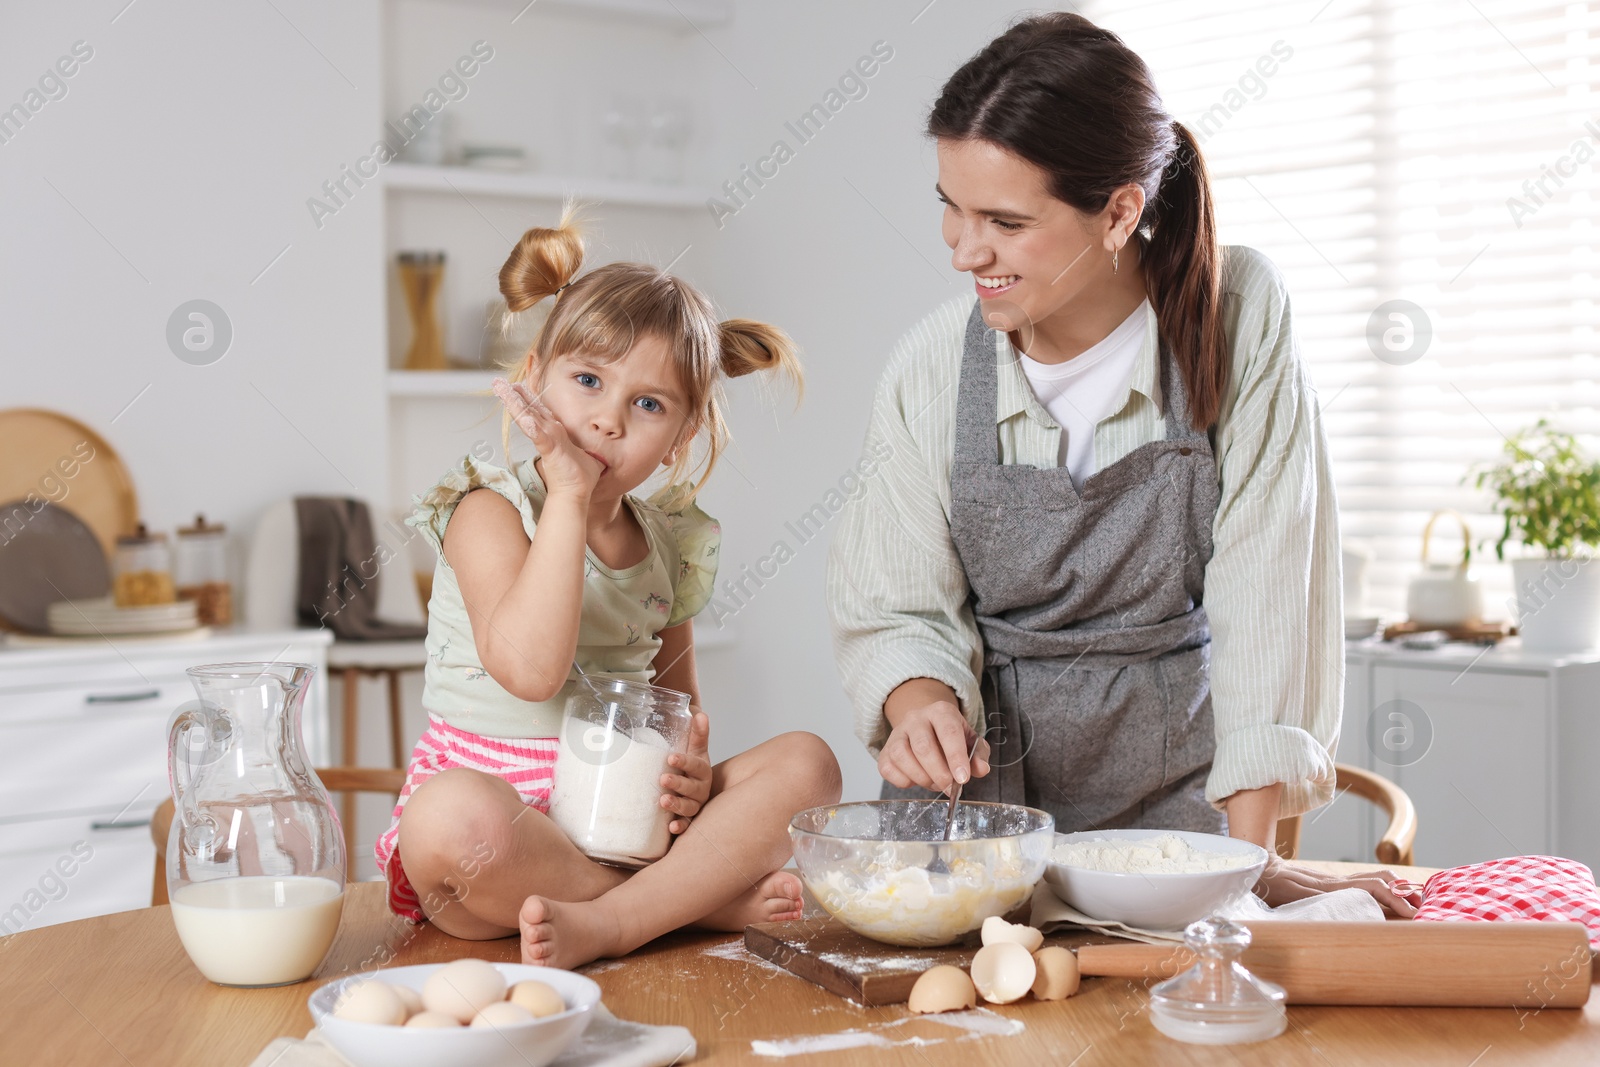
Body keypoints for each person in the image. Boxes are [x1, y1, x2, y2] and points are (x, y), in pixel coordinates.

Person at [828, 13, 1417, 917]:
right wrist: (916, 706)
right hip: (973, 840)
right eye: (949, 204)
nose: (962, 248)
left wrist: (1238, 879)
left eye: (1005, 221)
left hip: (1178, 831)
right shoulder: (932, 365)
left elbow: (1267, 602)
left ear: (1120, 211)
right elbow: (897, 604)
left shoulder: (1237, 315)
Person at [377, 208, 843, 969]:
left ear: (682, 436)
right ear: (534, 380)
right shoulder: (487, 511)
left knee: (810, 764)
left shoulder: (668, 547)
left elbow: (679, 714)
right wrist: (564, 496)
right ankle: (683, 905)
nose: (607, 420)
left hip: (620, 815)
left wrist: (689, 774)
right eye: (588, 380)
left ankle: (618, 917)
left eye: (648, 404)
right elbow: (531, 671)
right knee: (447, 823)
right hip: (502, 836)